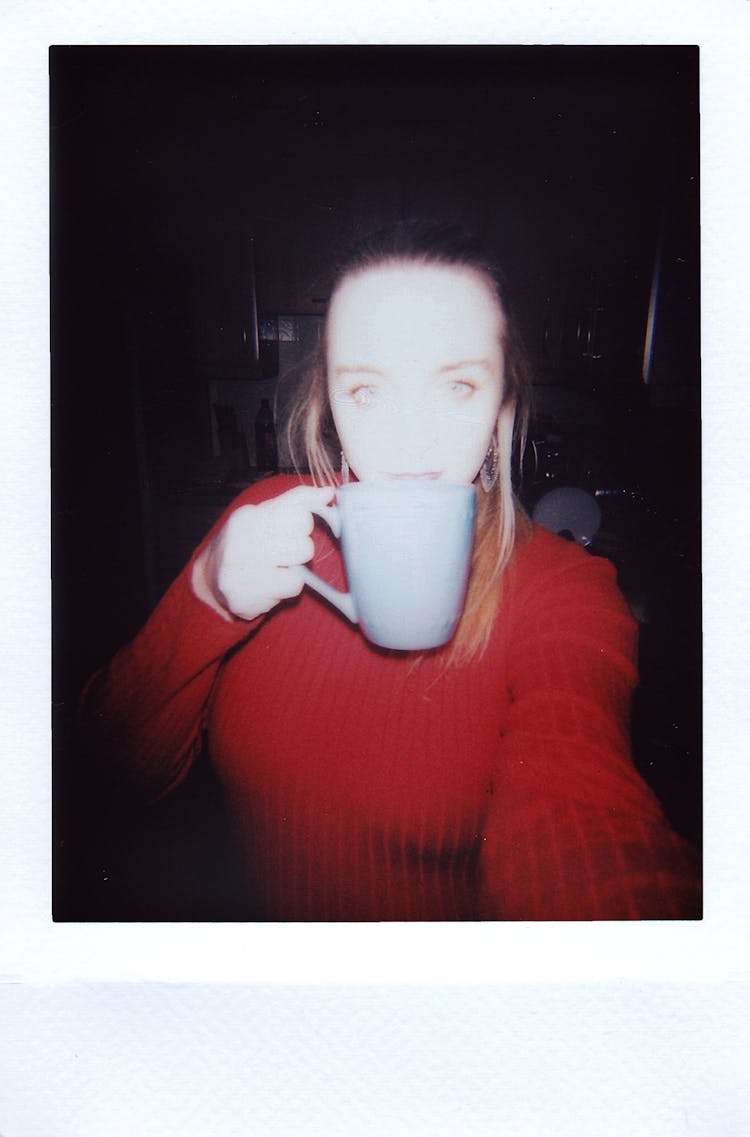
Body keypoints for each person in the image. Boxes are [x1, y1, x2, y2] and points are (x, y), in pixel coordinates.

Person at [74, 219, 701, 921]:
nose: (410, 435)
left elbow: (588, 818)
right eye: (368, 389)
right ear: (333, 408)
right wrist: (205, 597)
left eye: (457, 386)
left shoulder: (565, 593)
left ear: (502, 409)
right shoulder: (266, 524)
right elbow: (102, 776)